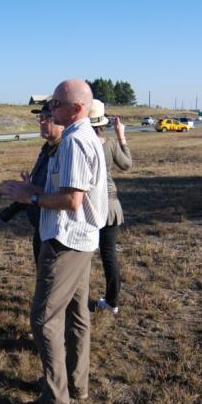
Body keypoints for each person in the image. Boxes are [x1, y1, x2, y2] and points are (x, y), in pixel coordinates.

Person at [2, 79, 108, 404]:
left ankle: (56, 402)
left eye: (56, 104)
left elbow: (71, 199)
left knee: (44, 318)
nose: (50, 110)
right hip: (81, 240)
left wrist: (28, 197)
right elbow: (67, 189)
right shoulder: (81, 137)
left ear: (76, 109)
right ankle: (76, 384)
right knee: (77, 315)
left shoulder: (75, 141)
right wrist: (32, 187)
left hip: (66, 242)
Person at [0, 101, 64, 263]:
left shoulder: (65, 151)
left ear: (60, 122)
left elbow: (63, 195)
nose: (41, 121)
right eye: (40, 117)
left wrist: (30, 192)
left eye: (47, 117)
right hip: (41, 227)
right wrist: (26, 188)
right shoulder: (46, 148)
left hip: (57, 231)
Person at [88, 99, 132, 314]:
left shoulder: (79, 143)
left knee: (81, 255)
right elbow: (126, 164)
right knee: (109, 255)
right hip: (111, 205)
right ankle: (112, 302)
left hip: (88, 206)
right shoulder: (110, 144)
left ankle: (77, 298)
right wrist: (121, 136)